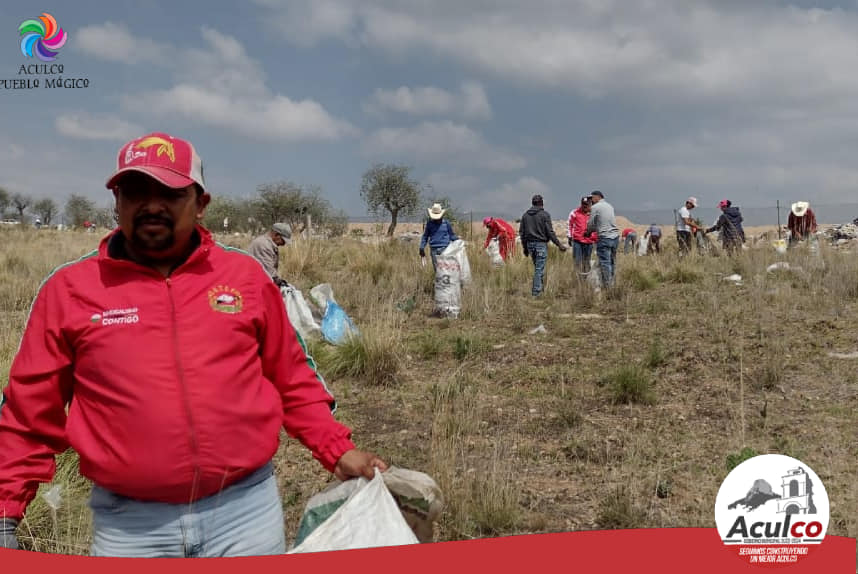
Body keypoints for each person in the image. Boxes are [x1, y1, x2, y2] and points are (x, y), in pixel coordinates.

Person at [0, 132, 386, 557]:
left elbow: (293, 378)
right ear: (117, 203)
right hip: (131, 528)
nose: (151, 205)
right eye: (135, 191)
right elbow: (28, 413)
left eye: (168, 191)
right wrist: (5, 511)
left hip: (245, 516)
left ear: (201, 203)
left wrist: (337, 449)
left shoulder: (245, 278)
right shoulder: (69, 290)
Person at [519, 194, 567, 296]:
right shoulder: (545, 215)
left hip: (530, 245)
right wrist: (559, 244)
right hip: (540, 244)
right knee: (539, 269)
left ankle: (540, 290)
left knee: (538, 268)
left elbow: (522, 233)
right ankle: (536, 292)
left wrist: (525, 248)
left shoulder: (525, 216)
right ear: (541, 203)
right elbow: (550, 232)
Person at [586, 191, 620, 288]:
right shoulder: (610, 206)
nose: (591, 200)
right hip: (615, 237)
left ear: (597, 197)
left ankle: (608, 287)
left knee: (605, 262)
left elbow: (591, 223)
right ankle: (612, 283)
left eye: (591, 198)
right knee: (612, 261)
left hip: (604, 238)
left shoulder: (595, 207)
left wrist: (588, 232)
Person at [248, 223, 293, 287]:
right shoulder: (264, 245)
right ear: (276, 235)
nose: (284, 244)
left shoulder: (267, 243)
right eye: (283, 240)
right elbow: (269, 274)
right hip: (253, 283)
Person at [419, 203, 459, 270]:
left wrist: (458, 241)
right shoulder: (429, 224)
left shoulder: (446, 223)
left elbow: (451, 235)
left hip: (445, 249)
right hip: (434, 250)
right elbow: (425, 236)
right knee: (437, 271)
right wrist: (422, 247)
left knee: (446, 269)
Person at [568, 196, 597, 274]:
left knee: (587, 261)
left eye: (586, 204)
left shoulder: (593, 214)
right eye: (583, 204)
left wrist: (596, 239)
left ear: (590, 204)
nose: (584, 206)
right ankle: (577, 279)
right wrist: (570, 237)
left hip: (589, 242)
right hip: (578, 241)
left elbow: (597, 227)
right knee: (577, 261)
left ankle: (585, 280)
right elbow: (570, 225)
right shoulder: (574, 212)